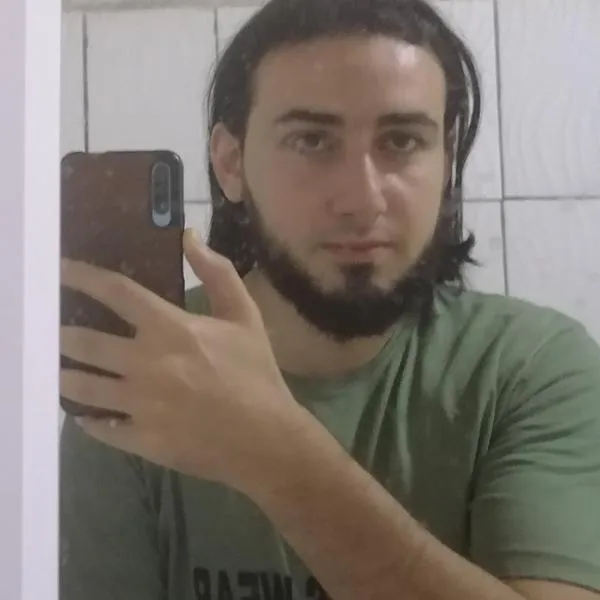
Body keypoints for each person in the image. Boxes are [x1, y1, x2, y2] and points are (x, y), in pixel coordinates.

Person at [59, 0, 600, 599]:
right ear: (231, 163)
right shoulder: (147, 371)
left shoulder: (530, 367)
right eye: (312, 140)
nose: (362, 200)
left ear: (446, 159)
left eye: (401, 141)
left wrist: (272, 454)